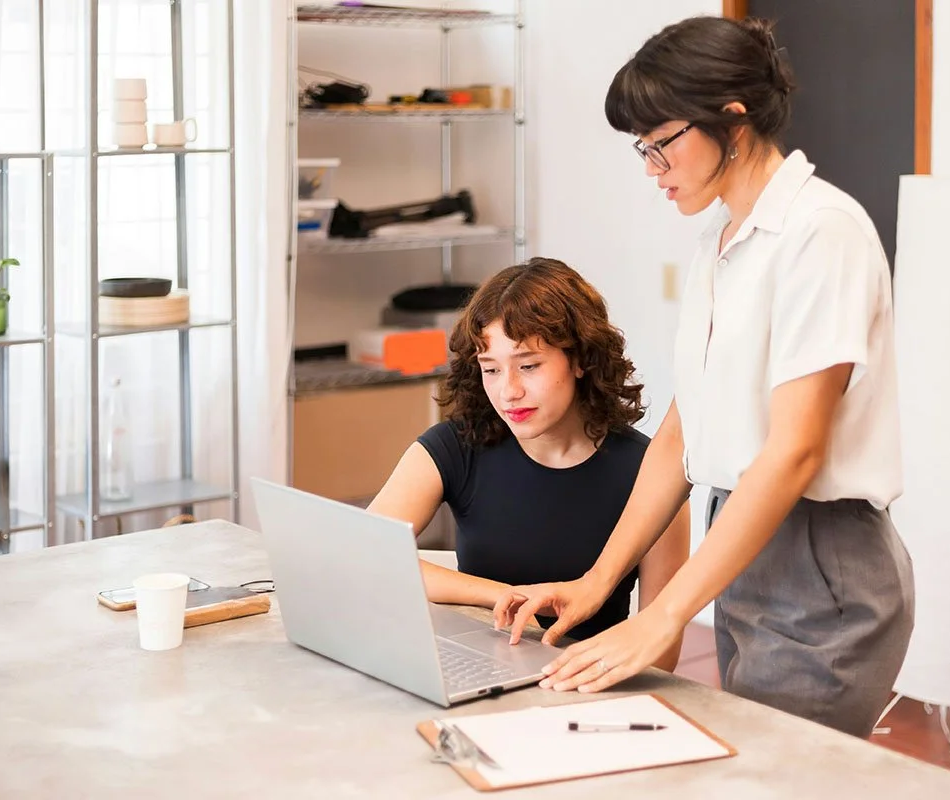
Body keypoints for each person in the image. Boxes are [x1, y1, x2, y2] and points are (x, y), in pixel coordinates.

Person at [493, 15, 915, 738]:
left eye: (663, 144)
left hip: (821, 559)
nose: (653, 168)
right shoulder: (717, 246)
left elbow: (795, 453)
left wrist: (665, 614)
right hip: (742, 545)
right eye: (642, 149)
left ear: (733, 119)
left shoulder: (821, 233)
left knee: (780, 778)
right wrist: (597, 586)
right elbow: (684, 434)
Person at [368, 257, 690, 670]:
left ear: (580, 360)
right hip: (476, 670)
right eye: (491, 370)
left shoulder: (651, 473)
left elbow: (661, 654)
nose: (509, 391)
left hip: (587, 685)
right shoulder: (454, 446)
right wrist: (501, 595)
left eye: (529, 366)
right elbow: (367, 554)